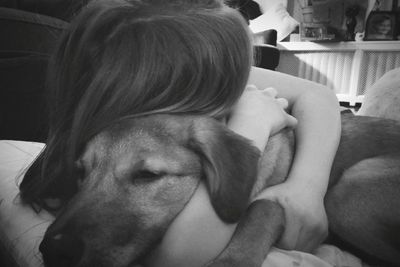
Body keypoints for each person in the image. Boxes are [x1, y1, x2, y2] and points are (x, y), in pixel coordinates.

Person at [19, 0, 340, 256]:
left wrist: (307, 186)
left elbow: (319, 94)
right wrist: (251, 122)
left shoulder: (204, 74)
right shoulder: (138, 83)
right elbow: (181, 253)